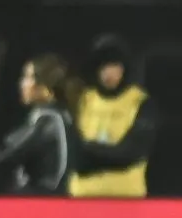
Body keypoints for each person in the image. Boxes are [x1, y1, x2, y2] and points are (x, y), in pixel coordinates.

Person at [0, 54, 80, 195]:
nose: (21, 83)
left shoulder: (48, 121)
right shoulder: (59, 115)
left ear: (44, 86)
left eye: (27, 77)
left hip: (43, 203)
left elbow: (3, 160)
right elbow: (12, 144)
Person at [68, 34, 158, 198]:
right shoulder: (82, 100)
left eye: (114, 65)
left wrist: (90, 153)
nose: (108, 72)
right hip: (82, 197)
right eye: (103, 66)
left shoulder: (140, 102)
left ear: (124, 68)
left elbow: (131, 152)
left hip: (126, 199)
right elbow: (71, 152)